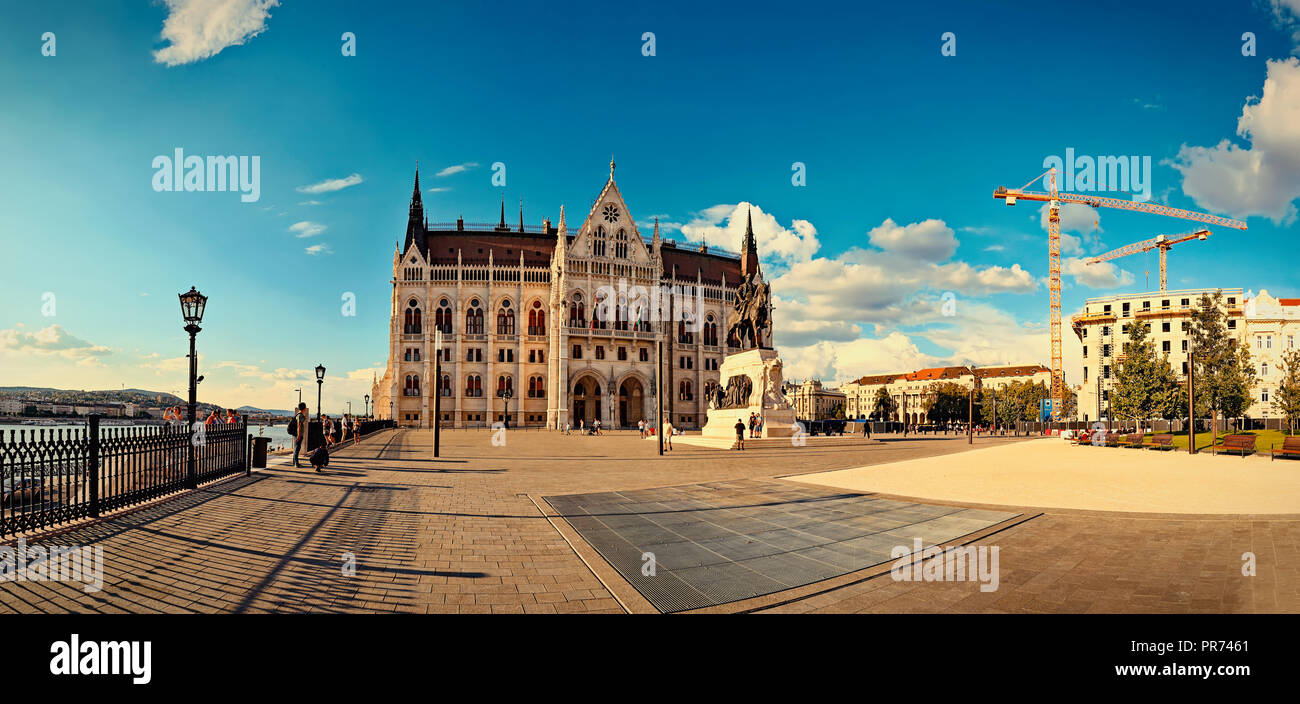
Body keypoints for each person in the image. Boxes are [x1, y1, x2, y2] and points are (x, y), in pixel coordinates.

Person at [292, 402, 309, 468]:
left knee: (296, 448)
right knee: (297, 449)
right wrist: (299, 435)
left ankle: (294, 462)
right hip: (298, 434)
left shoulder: (299, 415)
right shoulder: (300, 415)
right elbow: (299, 425)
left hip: (297, 434)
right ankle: (296, 463)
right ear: (304, 408)